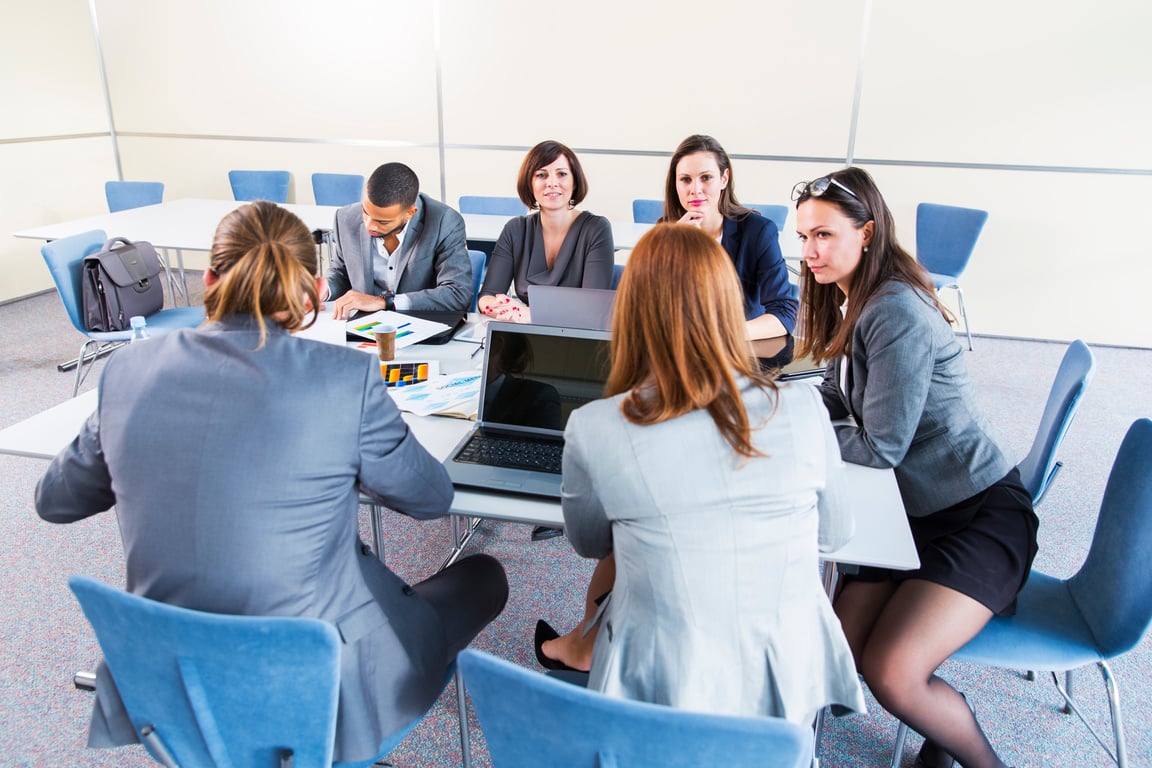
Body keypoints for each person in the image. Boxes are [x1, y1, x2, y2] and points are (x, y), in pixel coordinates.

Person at [35, 201, 509, 766]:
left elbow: (55, 501)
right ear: (312, 291)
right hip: (316, 681)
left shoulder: (127, 371)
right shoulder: (345, 379)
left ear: (209, 278)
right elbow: (432, 499)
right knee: (484, 576)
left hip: (171, 672)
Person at [548, 223, 865, 726]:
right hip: (785, 685)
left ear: (630, 312)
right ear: (730, 307)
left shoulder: (595, 427)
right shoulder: (805, 408)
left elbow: (588, 543)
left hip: (659, 689)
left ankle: (578, 647)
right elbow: (836, 536)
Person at [793, 167, 1037, 768]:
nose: (810, 251)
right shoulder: (849, 299)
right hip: (908, 515)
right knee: (838, 651)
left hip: (975, 517)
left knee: (889, 672)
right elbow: (835, 392)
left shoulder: (893, 310)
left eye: (824, 235)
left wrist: (792, 434)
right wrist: (780, 397)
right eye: (802, 237)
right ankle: (940, 733)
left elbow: (880, 448)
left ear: (867, 232)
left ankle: (982, 762)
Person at [661, 134, 796, 340]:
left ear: (724, 179)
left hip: (741, 353)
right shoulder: (667, 232)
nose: (695, 189)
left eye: (706, 178)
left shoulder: (758, 232)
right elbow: (653, 307)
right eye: (685, 179)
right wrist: (677, 248)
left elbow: (784, 312)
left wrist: (724, 335)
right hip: (681, 350)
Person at [477, 140, 614, 323]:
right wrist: (511, 311)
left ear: (574, 182)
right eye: (541, 175)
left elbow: (593, 309)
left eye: (562, 174)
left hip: (577, 338)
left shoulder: (596, 229)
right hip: (527, 336)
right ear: (530, 184)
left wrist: (532, 314)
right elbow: (486, 297)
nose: (552, 183)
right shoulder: (516, 229)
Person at [325, 162, 473, 317]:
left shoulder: (444, 222)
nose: (370, 226)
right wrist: (324, 288)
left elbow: (457, 293)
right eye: (365, 212)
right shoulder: (346, 217)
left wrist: (384, 302)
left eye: (383, 222)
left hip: (421, 322)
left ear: (410, 212)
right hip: (365, 325)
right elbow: (341, 273)